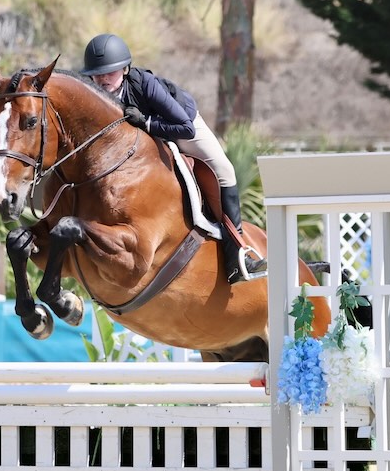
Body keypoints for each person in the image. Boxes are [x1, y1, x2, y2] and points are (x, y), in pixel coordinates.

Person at [80, 32, 267, 284]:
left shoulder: (145, 84)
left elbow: (185, 128)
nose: (103, 78)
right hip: (143, 140)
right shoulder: (94, 95)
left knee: (225, 170)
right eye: (97, 73)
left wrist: (146, 122)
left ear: (125, 69)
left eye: (110, 72)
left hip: (180, 125)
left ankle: (238, 251)